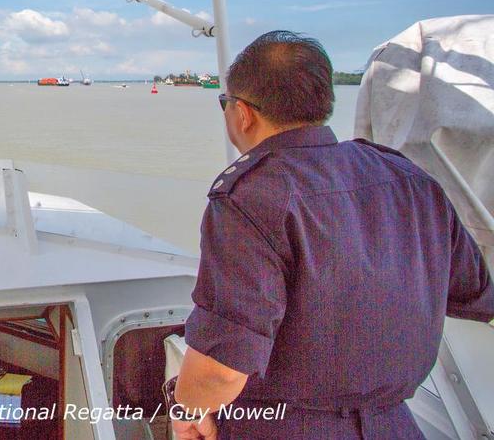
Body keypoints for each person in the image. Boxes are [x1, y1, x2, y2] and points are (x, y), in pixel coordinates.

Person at [166, 31, 494, 439]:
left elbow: (219, 373)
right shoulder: (411, 179)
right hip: (396, 424)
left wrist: (186, 411)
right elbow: (474, 294)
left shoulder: (248, 197)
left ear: (242, 113)